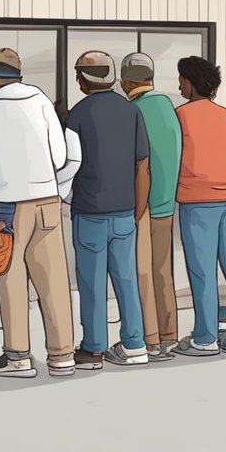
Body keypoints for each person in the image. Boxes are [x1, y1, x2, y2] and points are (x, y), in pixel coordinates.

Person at [0, 48, 77, 378]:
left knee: (11, 277)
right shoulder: (42, 102)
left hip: (6, 204)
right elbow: (60, 157)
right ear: (19, 74)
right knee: (53, 279)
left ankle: (18, 355)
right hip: (46, 198)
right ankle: (62, 354)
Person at [65, 51, 150, 369]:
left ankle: (94, 348)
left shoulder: (77, 114)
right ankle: (134, 343)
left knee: (91, 282)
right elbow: (143, 165)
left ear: (84, 79)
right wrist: (138, 210)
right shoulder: (131, 112)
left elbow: (69, 164)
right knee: (126, 279)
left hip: (89, 210)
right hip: (125, 211)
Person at [172, 57, 226, 357]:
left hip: (197, 200)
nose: (179, 85)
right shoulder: (225, 115)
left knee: (203, 271)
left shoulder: (181, 115)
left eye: (182, 79)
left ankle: (205, 338)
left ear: (191, 82)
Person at [121, 53, 183, 361]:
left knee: (142, 271)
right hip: (167, 202)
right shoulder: (168, 107)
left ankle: (150, 337)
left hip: (141, 203)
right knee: (163, 270)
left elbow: (136, 164)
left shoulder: (133, 111)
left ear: (127, 81)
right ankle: (170, 333)